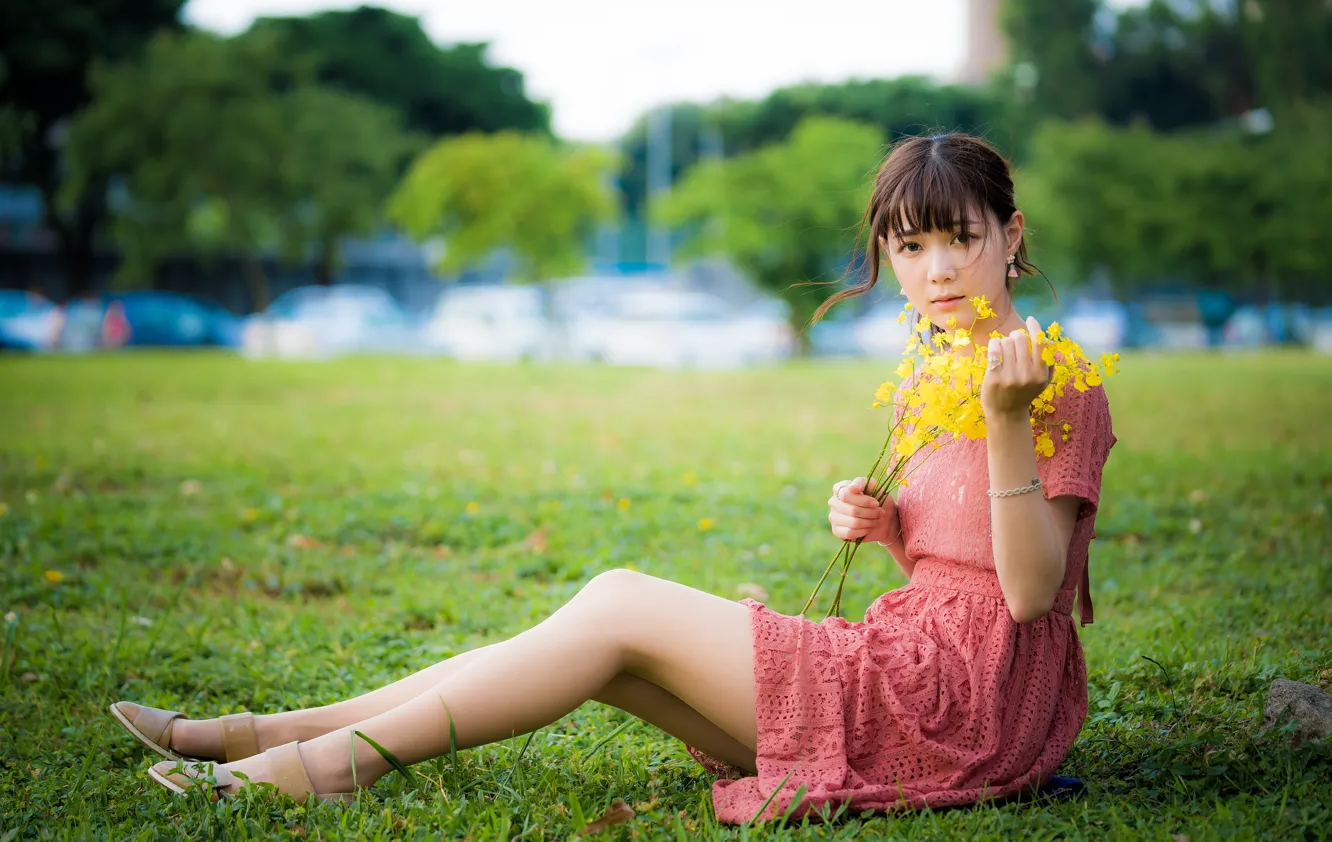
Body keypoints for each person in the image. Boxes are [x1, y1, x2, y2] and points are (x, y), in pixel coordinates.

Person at [111, 133, 1115, 823]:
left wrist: (1004, 424)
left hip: (970, 705)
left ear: (1010, 236)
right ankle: (275, 733)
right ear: (890, 257)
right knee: (610, 646)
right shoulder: (928, 370)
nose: (937, 269)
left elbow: (1027, 593)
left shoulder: (1055, 384)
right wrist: (882, 521)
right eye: (911, 246)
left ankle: (328, 763)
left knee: (619, 601)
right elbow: (951, 553)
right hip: (906, 651)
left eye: (961, 239)